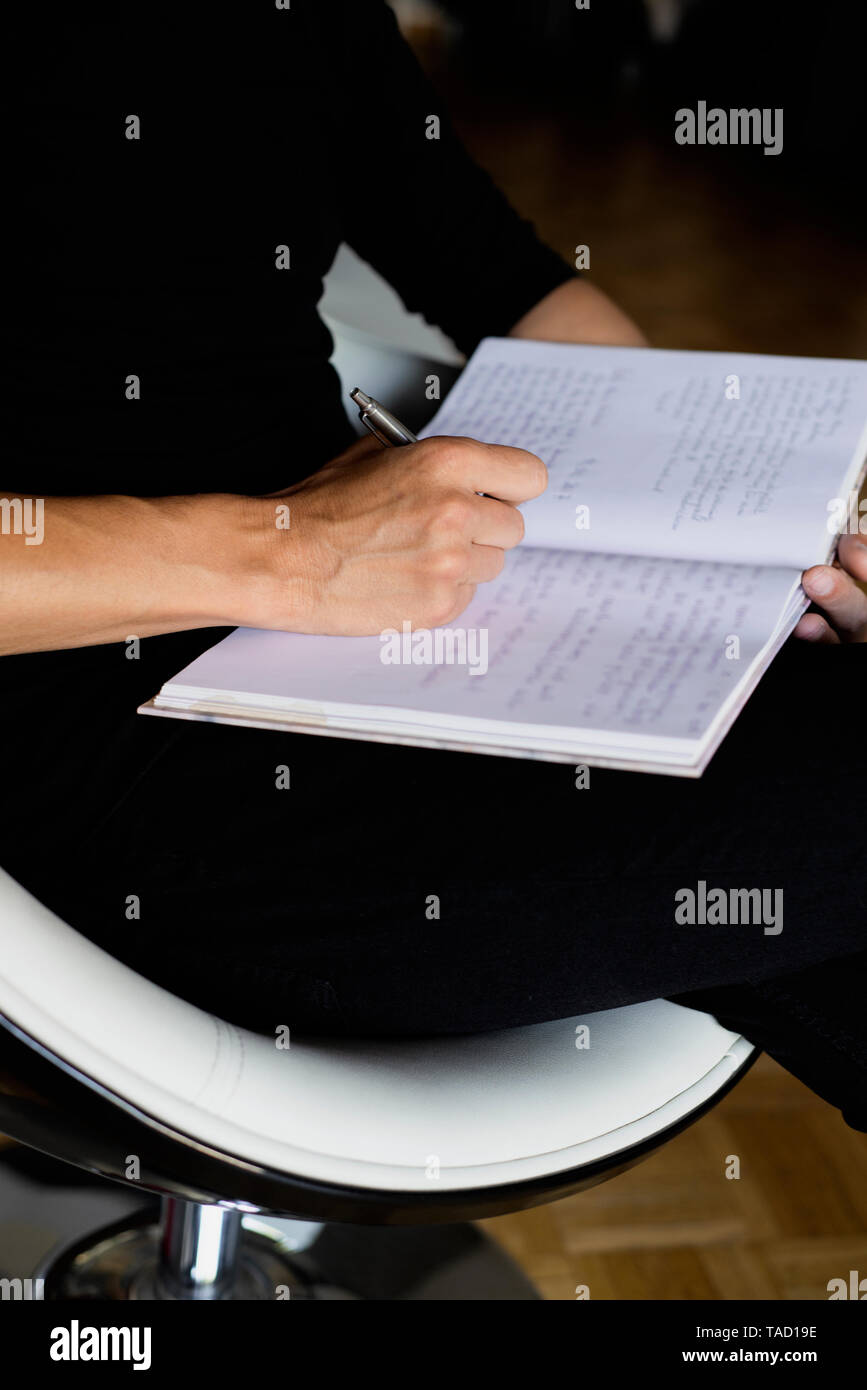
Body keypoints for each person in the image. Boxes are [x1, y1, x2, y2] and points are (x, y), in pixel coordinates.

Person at [4, 3, 865, 1130]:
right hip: (110, 737)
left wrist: (781, 521)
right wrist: (286, 553)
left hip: (382, 624)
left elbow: (502, 277)